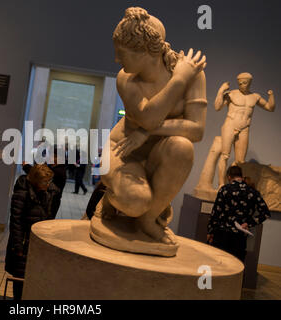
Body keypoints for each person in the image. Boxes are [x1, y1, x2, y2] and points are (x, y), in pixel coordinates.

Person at [91, 7, 207, 254]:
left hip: (157, 154)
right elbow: (149, 117)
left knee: (182, 146)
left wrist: (147, 134)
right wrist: (179, 80)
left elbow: (196, 131)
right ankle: (111, 196)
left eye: (121, 53)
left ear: (145, 53)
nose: (116, 60)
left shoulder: (194, 74)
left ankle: (148, 219)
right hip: (123, 151)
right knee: (135, 201)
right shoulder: (126, 79)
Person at [5, 164, 60, 300]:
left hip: (38, 244)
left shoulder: (49, 192)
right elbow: (16, 222)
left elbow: (49, 217)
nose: (48, 184)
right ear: (35, 181)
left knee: (35, 280)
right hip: (23, 244)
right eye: (45, 182)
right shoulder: (22, 193)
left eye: (49, 181)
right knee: (20, 281)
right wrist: (18, 247)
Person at [214, 73, 275, 187]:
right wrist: (221, 91)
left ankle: (232, 184)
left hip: (244, 128)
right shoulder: (231, 94)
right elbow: (217, 107)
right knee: (225, 155)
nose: (241, 85)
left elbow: (270, 108)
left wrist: (271, 96)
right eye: (239, 83)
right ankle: (221, 184)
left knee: (240, 161)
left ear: (250, 82)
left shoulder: (255, 97)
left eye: (244, 82)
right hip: (230, 125)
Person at [207, 166, 271, 263]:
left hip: (222, 235)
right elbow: (265, 213)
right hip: (239, 237)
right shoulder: (253, 192)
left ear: (229, 177)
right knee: (236, 266)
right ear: (241, 176)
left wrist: (210, 231)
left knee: (218, 265)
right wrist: (248, 223)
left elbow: (216, 212)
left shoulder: (225, 189)